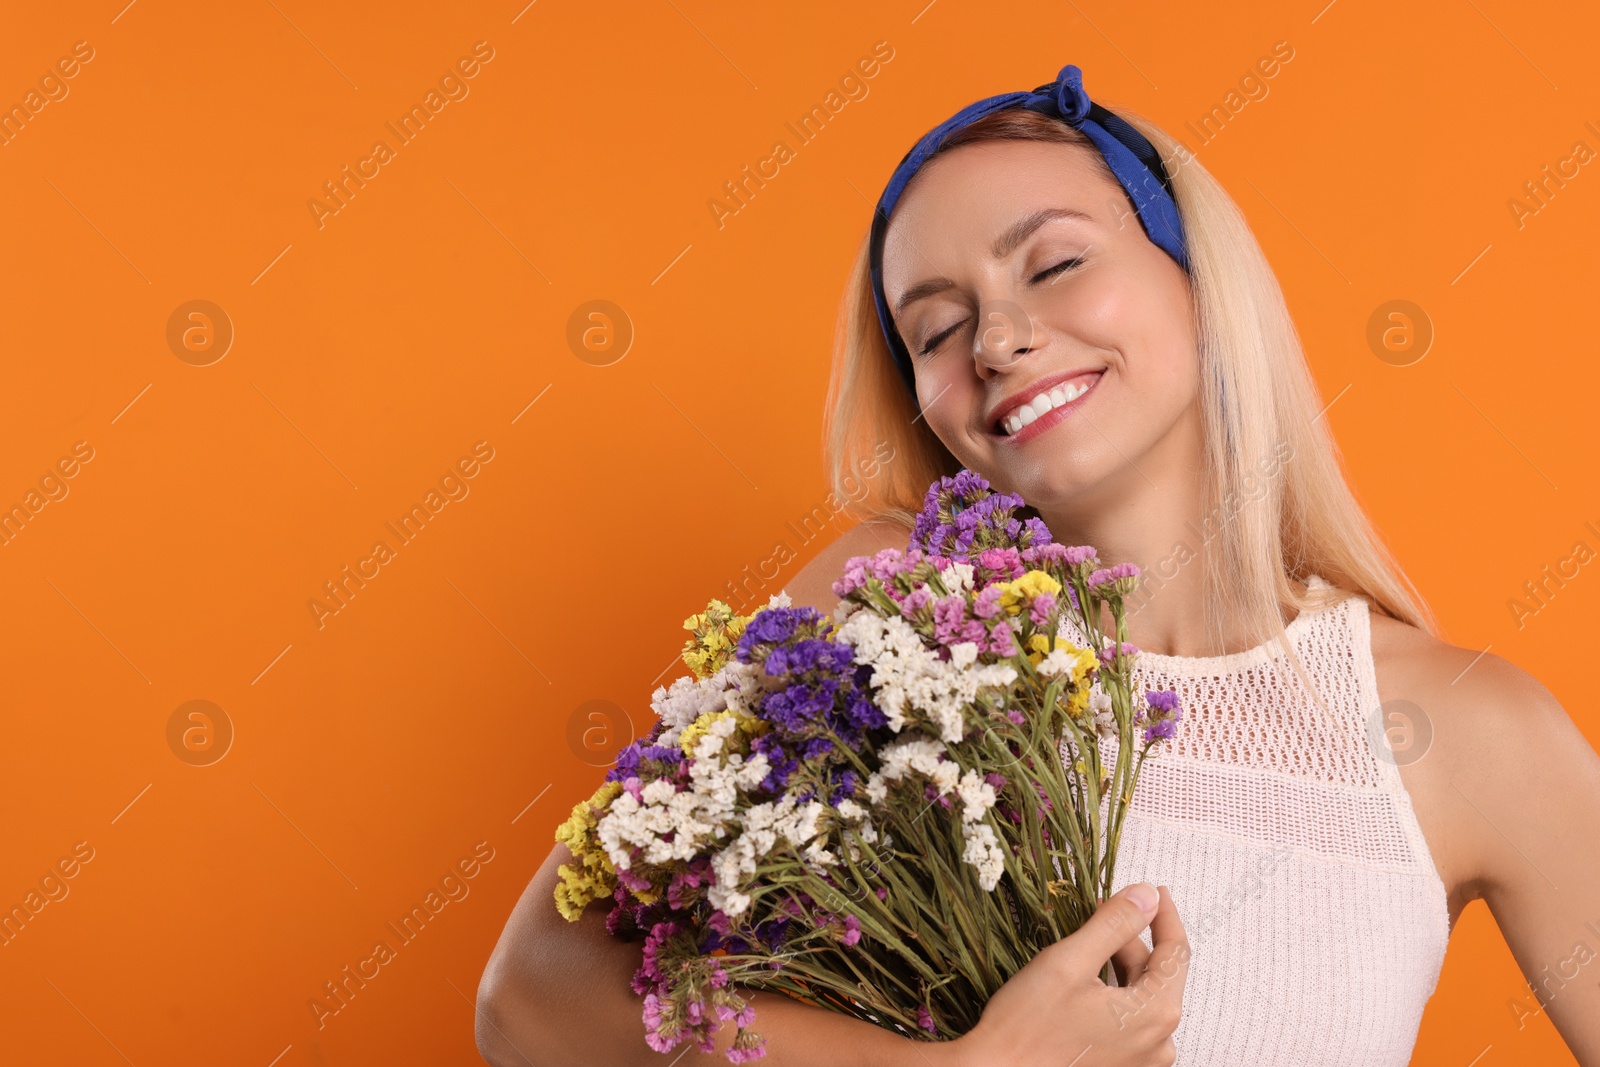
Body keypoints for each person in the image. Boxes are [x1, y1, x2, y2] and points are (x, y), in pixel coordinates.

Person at [476, 64, 1600, 1066]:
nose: (997, 339)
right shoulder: (881, 615)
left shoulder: (1464, 733)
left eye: (1054, 264)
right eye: (934, 328)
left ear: (1197, 280)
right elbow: (533, 999)